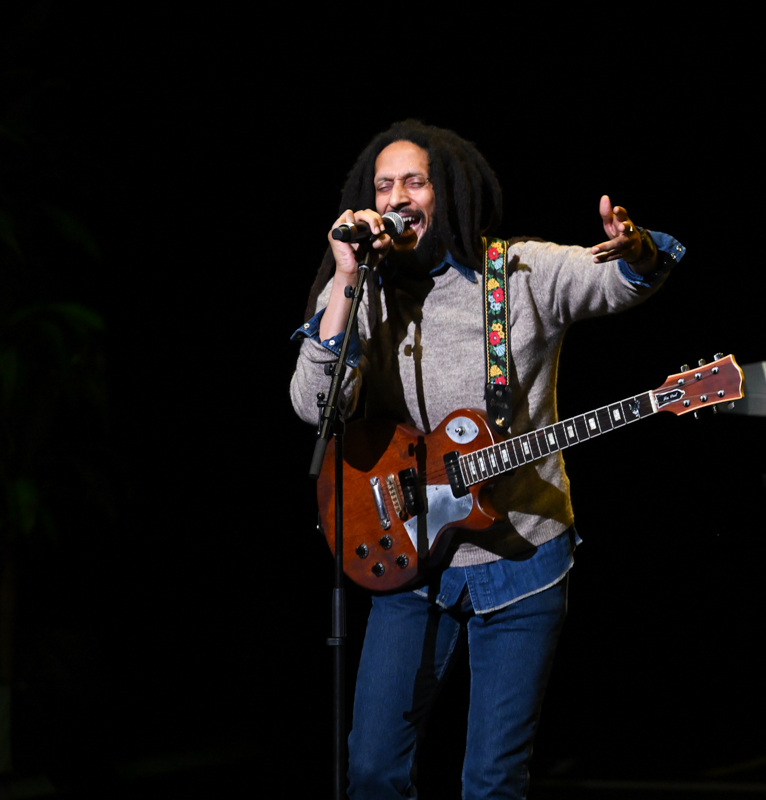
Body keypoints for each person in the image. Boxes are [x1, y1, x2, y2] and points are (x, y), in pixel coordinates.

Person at [291, 120, 683, 799]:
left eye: (415, 180)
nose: (397, 197)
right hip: (406, 552)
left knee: (492, 783)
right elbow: (311, 404)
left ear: (451, 190)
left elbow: (625, 280)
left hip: (522, 557)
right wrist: (347, 281)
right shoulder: (365, 293)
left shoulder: (520, 272)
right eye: (383, 185)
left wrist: (639, 249)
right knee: (372, 769)